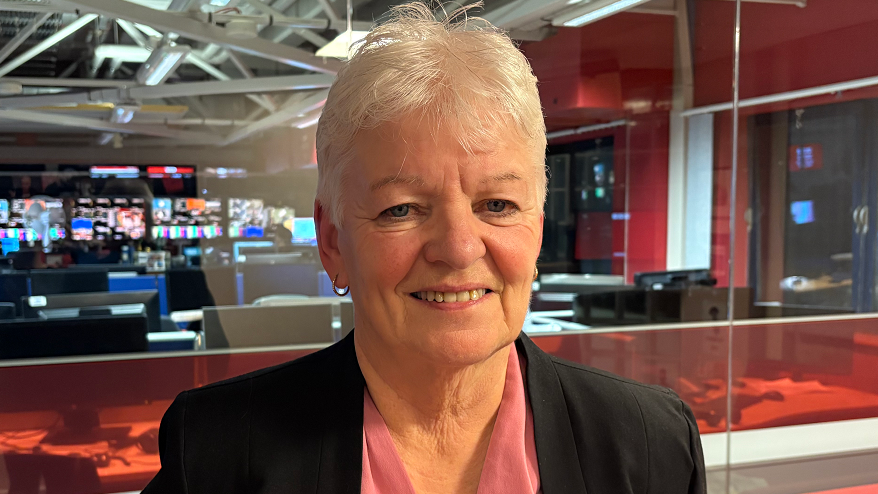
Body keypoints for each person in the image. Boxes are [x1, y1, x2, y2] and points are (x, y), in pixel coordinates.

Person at [141, 3, 706, 493]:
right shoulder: (215, 451)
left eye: (498, 205)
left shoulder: (653, 444)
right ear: (332, 241)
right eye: (402, 209)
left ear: (535, 229)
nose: (459, 249)